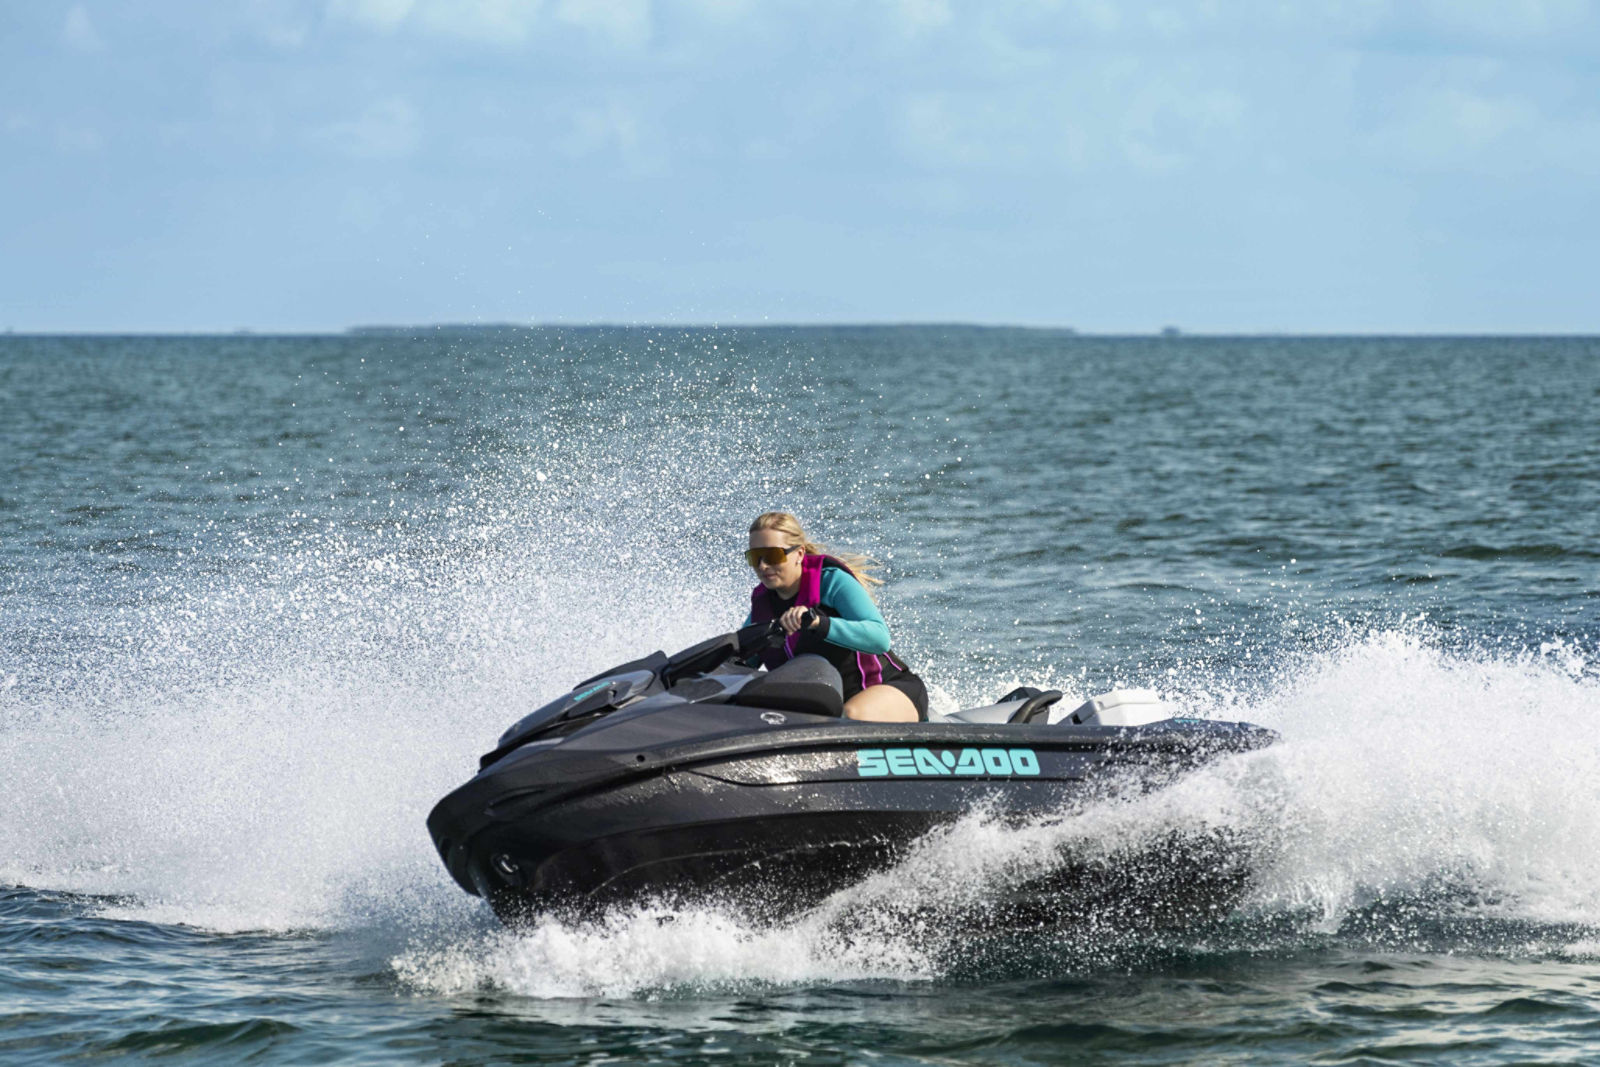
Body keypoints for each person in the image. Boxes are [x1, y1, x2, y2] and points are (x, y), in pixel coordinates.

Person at [742, 511, 928, 722]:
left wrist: (819, 623)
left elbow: (880, 638)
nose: (763, 566)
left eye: (773, 556)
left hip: (889, 690)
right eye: (755, 557)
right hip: (827, 712)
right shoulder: (763, 606)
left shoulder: (831, 582)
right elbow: (742, 658)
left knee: (848, 715)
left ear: (800, 554)